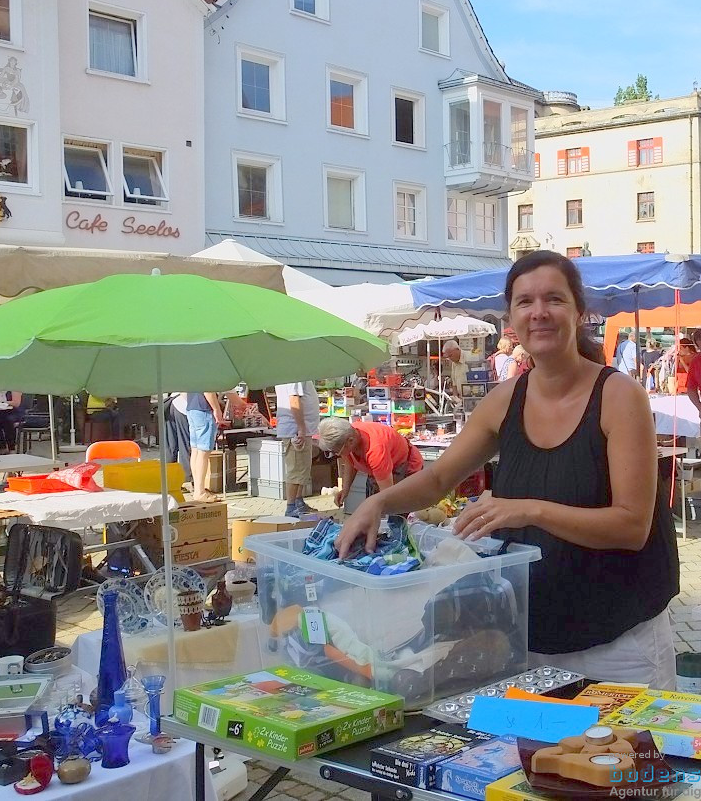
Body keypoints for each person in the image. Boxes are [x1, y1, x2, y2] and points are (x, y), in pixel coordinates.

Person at [332, 250, 680, 687]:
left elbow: (631, 527)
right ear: (510, 319)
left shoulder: (618, 396)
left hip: (619, 642)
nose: (539, 313)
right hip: (532, 635)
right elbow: (440, 479)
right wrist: (379, 502)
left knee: (620, 754)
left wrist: (527, 510)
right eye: (525, 302)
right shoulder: (505, 399)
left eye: (553, 299)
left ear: (579, 311)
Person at [316, 416, 424, 508]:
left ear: (350, 441)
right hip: (383, 470)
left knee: (396, 513)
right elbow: (350, 461)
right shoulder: (350, 434)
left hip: (405, 467)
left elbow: (388, 494)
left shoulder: (375, 450)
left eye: (335, 452)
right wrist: (345, 489)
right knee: (372, 509)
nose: (336, 455)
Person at [274, 381, 320, 518]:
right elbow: (294, 400)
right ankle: (291, 506)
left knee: (302, 469)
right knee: (296, 469)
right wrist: (301, 428)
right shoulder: (295, 375)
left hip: (300, 430)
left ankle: (298, 501)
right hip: (295, 430)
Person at [186, 392, 223, 502]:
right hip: (204, 409)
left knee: (196, 451)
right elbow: (208, 390)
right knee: (203, 452)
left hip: (192, 408)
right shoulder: (207, 374)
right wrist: (216, 408)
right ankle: (200, 491)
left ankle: (198, 489)